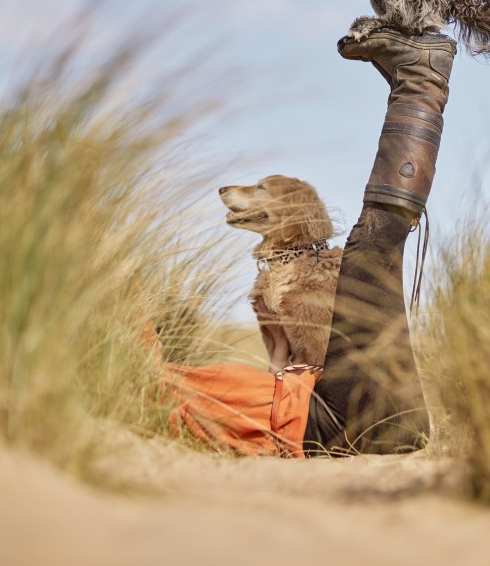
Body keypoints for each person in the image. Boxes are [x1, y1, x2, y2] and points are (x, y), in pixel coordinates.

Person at [158, 28, 456, 458]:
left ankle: (416, 82)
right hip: (341, 420)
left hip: (347, 415)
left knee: (372, 249)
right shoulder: (166, 390)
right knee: (373, 247)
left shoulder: (163, 383)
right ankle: (421, 80)